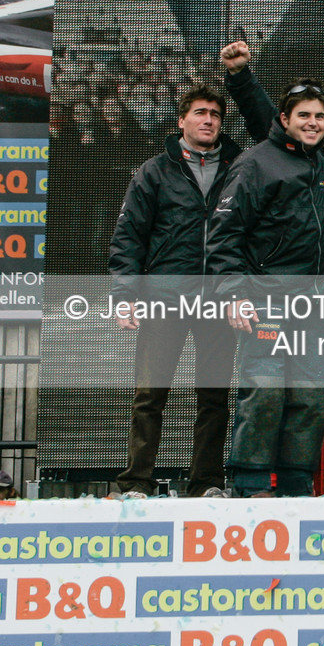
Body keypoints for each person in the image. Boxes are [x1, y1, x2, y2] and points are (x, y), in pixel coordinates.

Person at [219, 43, 324, 475]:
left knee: (311, 397)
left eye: (320, 116)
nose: (314, 123)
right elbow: (225, 233)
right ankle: (249, 485)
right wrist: (232, 294)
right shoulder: (256, 163)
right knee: (264, 391)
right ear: (284, 120)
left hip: (313, 305)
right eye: (304, 115)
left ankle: (296, 487)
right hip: (265, 299)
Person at [109, 86, 242, 499]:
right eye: (200, 113)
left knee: (214, 397)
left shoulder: (239, 169)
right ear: (181, 121)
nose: (208, 120)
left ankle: (206, 483)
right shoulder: (154, 171)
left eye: (216, 114)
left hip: (218, 299)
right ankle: (136, 482)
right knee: (150, 394)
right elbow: (129, 236)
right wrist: (125, 293)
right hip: (165, 297)